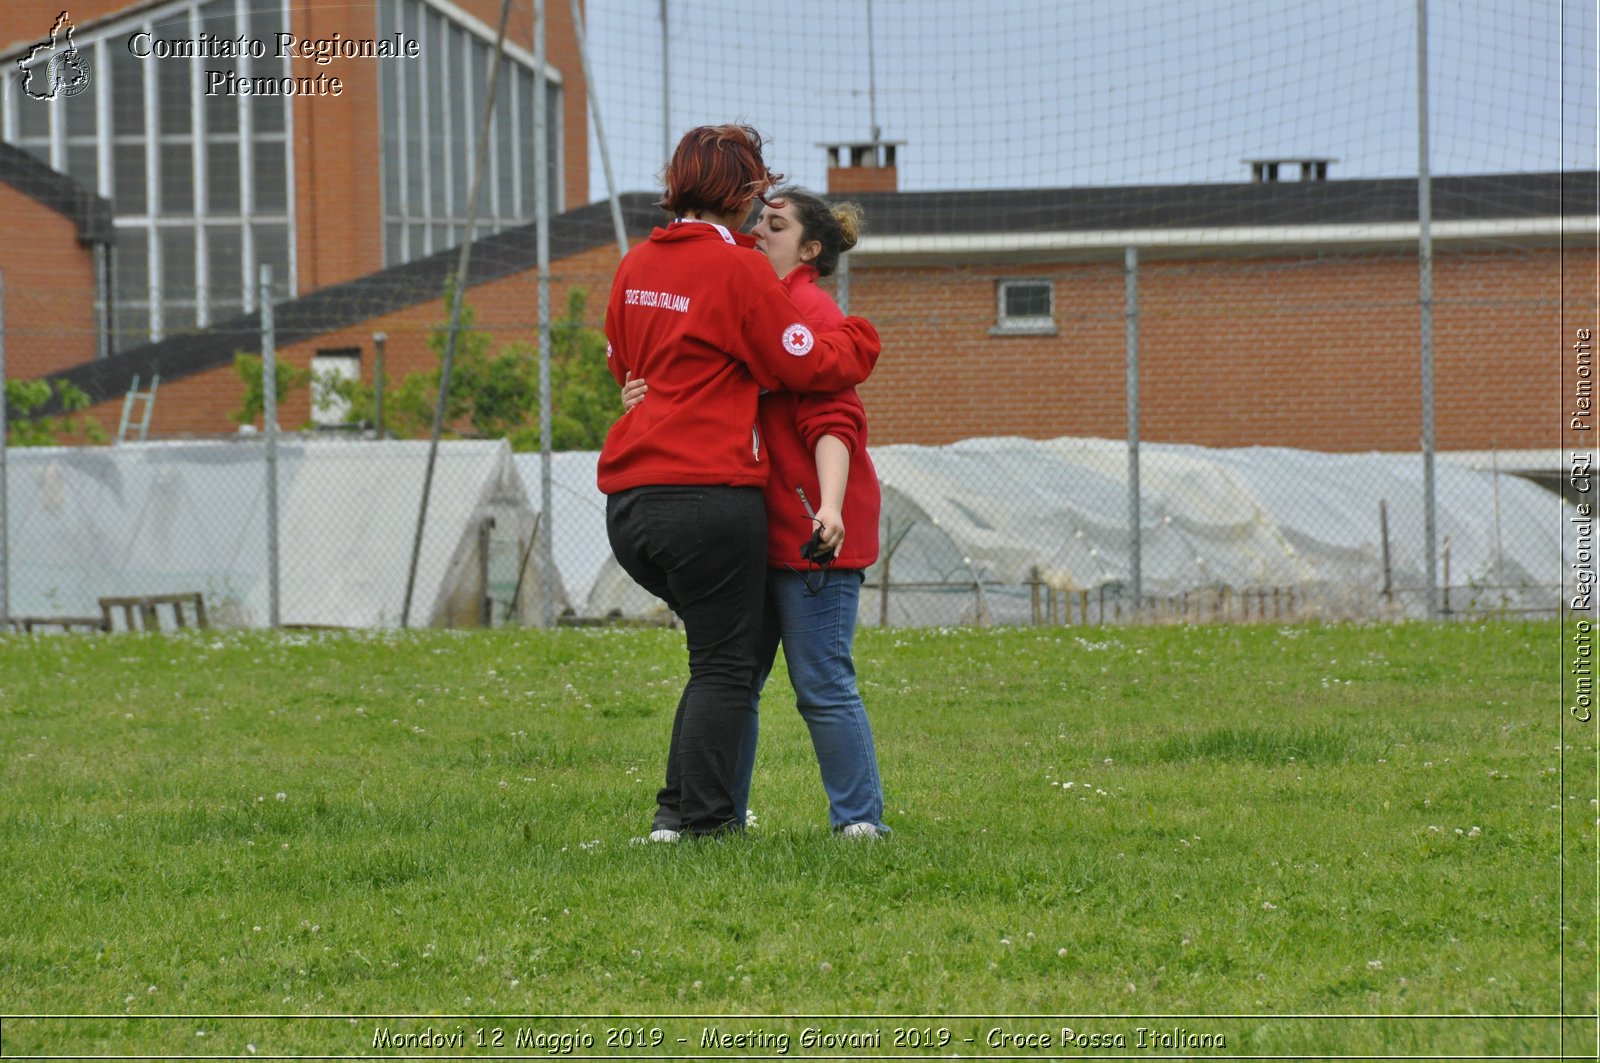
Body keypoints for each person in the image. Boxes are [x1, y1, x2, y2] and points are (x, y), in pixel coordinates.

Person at [598, 126, 882, 841]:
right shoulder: (742, 270)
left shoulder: (635, 264)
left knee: (723, 657)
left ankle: (675, 818)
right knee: (728, 663)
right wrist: (861, 339)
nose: (763, 215)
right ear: (744, 189)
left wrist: (645, 390)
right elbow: (807, 367)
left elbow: (622, 360)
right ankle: (706, 822)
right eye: (759, 194)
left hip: (630, 503)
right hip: (706, 496)